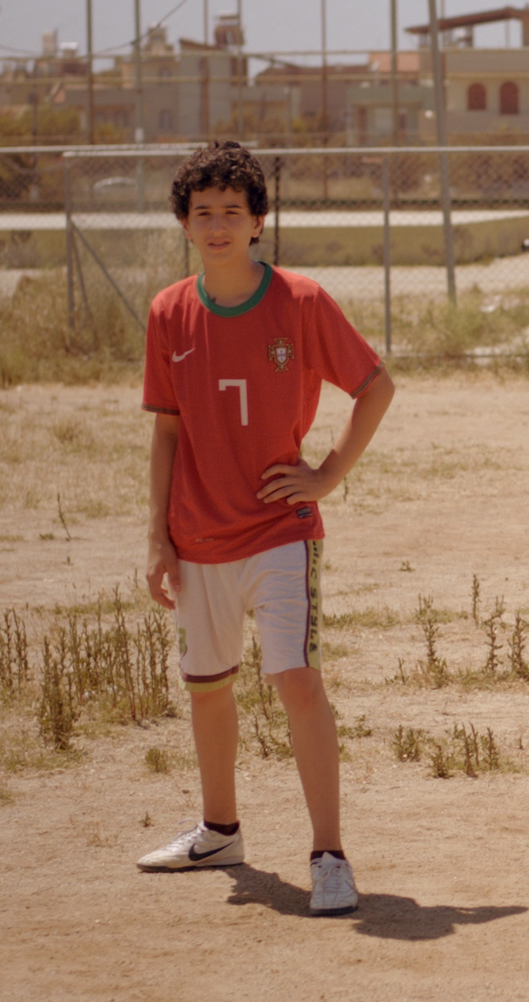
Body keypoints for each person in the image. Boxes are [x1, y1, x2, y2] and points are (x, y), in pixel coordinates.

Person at [134, 143, 395, 918]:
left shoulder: (302, 301)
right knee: (208, 689)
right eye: (203, 213)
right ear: (184, 223)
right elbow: (167, 434)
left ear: (258, 223)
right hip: (196, 537)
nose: (218, 226)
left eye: (232, 213)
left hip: (282, 531)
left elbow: (375, 386)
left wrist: (327, 474)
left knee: (298, 681)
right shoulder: (168, 311)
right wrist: (157, 537)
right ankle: (220, 831)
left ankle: (329, 854)